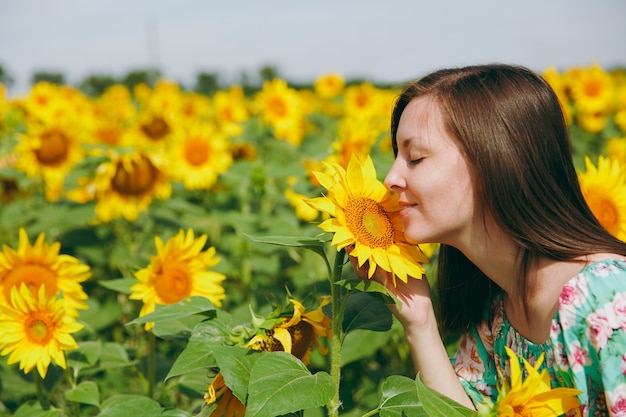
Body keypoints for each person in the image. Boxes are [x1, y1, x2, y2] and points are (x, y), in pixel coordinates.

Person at [351, 63, 626, 415]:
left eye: (415, 158)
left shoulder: (608, 302)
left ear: (494, 159)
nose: (390, 178)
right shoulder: (498, 317)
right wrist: (418, 321)